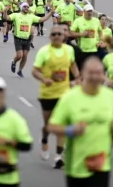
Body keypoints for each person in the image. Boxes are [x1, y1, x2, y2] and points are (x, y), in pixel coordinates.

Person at [47, 57, 113, 187]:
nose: (95, 77)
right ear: (82, 74)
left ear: (103, 75)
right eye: (91, 73)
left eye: (98, 73)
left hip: (101, 163)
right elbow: (52, 126)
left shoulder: (110, 96)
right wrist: (70, 130)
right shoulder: (70, 98)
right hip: (77, 166)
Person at [32, 25, 79, 169]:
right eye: (54, 34)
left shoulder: (69, 50)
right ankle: (45, 139)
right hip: (47, 94)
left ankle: (58, 156)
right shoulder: (44, 52)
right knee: (49, 126)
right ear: (50, 37)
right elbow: (35, 71)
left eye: (59, 34)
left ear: (64, 36)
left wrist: (77, 79)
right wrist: (44, 79)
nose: (57, 36)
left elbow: (73, 66)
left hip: (64, 94)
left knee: (62, 125)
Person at [5, 2, 53, 77]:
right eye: (24, 7)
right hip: (18, 38)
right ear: (21, 8)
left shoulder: (31, 16)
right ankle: (14, 62)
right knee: (19, 55)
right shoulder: (16, 15)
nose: (26, 8)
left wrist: (50, 13)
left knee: (25, 56)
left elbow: (42, 19)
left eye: (27, 7)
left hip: (27, 39)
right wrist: (5, 11)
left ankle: (20, 70)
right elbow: (6, 18)